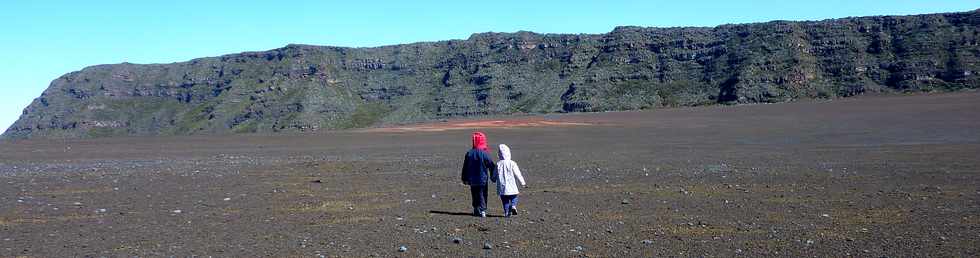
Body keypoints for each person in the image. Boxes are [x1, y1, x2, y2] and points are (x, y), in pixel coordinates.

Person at [461, 132, 496, 217]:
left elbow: (465, 167)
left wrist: (464, 178)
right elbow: (491, 165)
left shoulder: (469, 153)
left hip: (472, 179)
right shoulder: (484, 154)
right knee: (483, 194)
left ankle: (476, 208)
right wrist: (493, 176)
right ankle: (483, 210)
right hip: (482, 179)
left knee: (474, 193)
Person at [495, 144, 526, 217]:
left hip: (502, 186)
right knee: (514, 196)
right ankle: (513, 206)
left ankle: (506, 212)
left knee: (505, 200)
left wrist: (493, 179)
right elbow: (518, 173)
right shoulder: (512, 163)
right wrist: (522, 182)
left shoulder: (498, 164)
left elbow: (494, 174)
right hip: (512, 185)